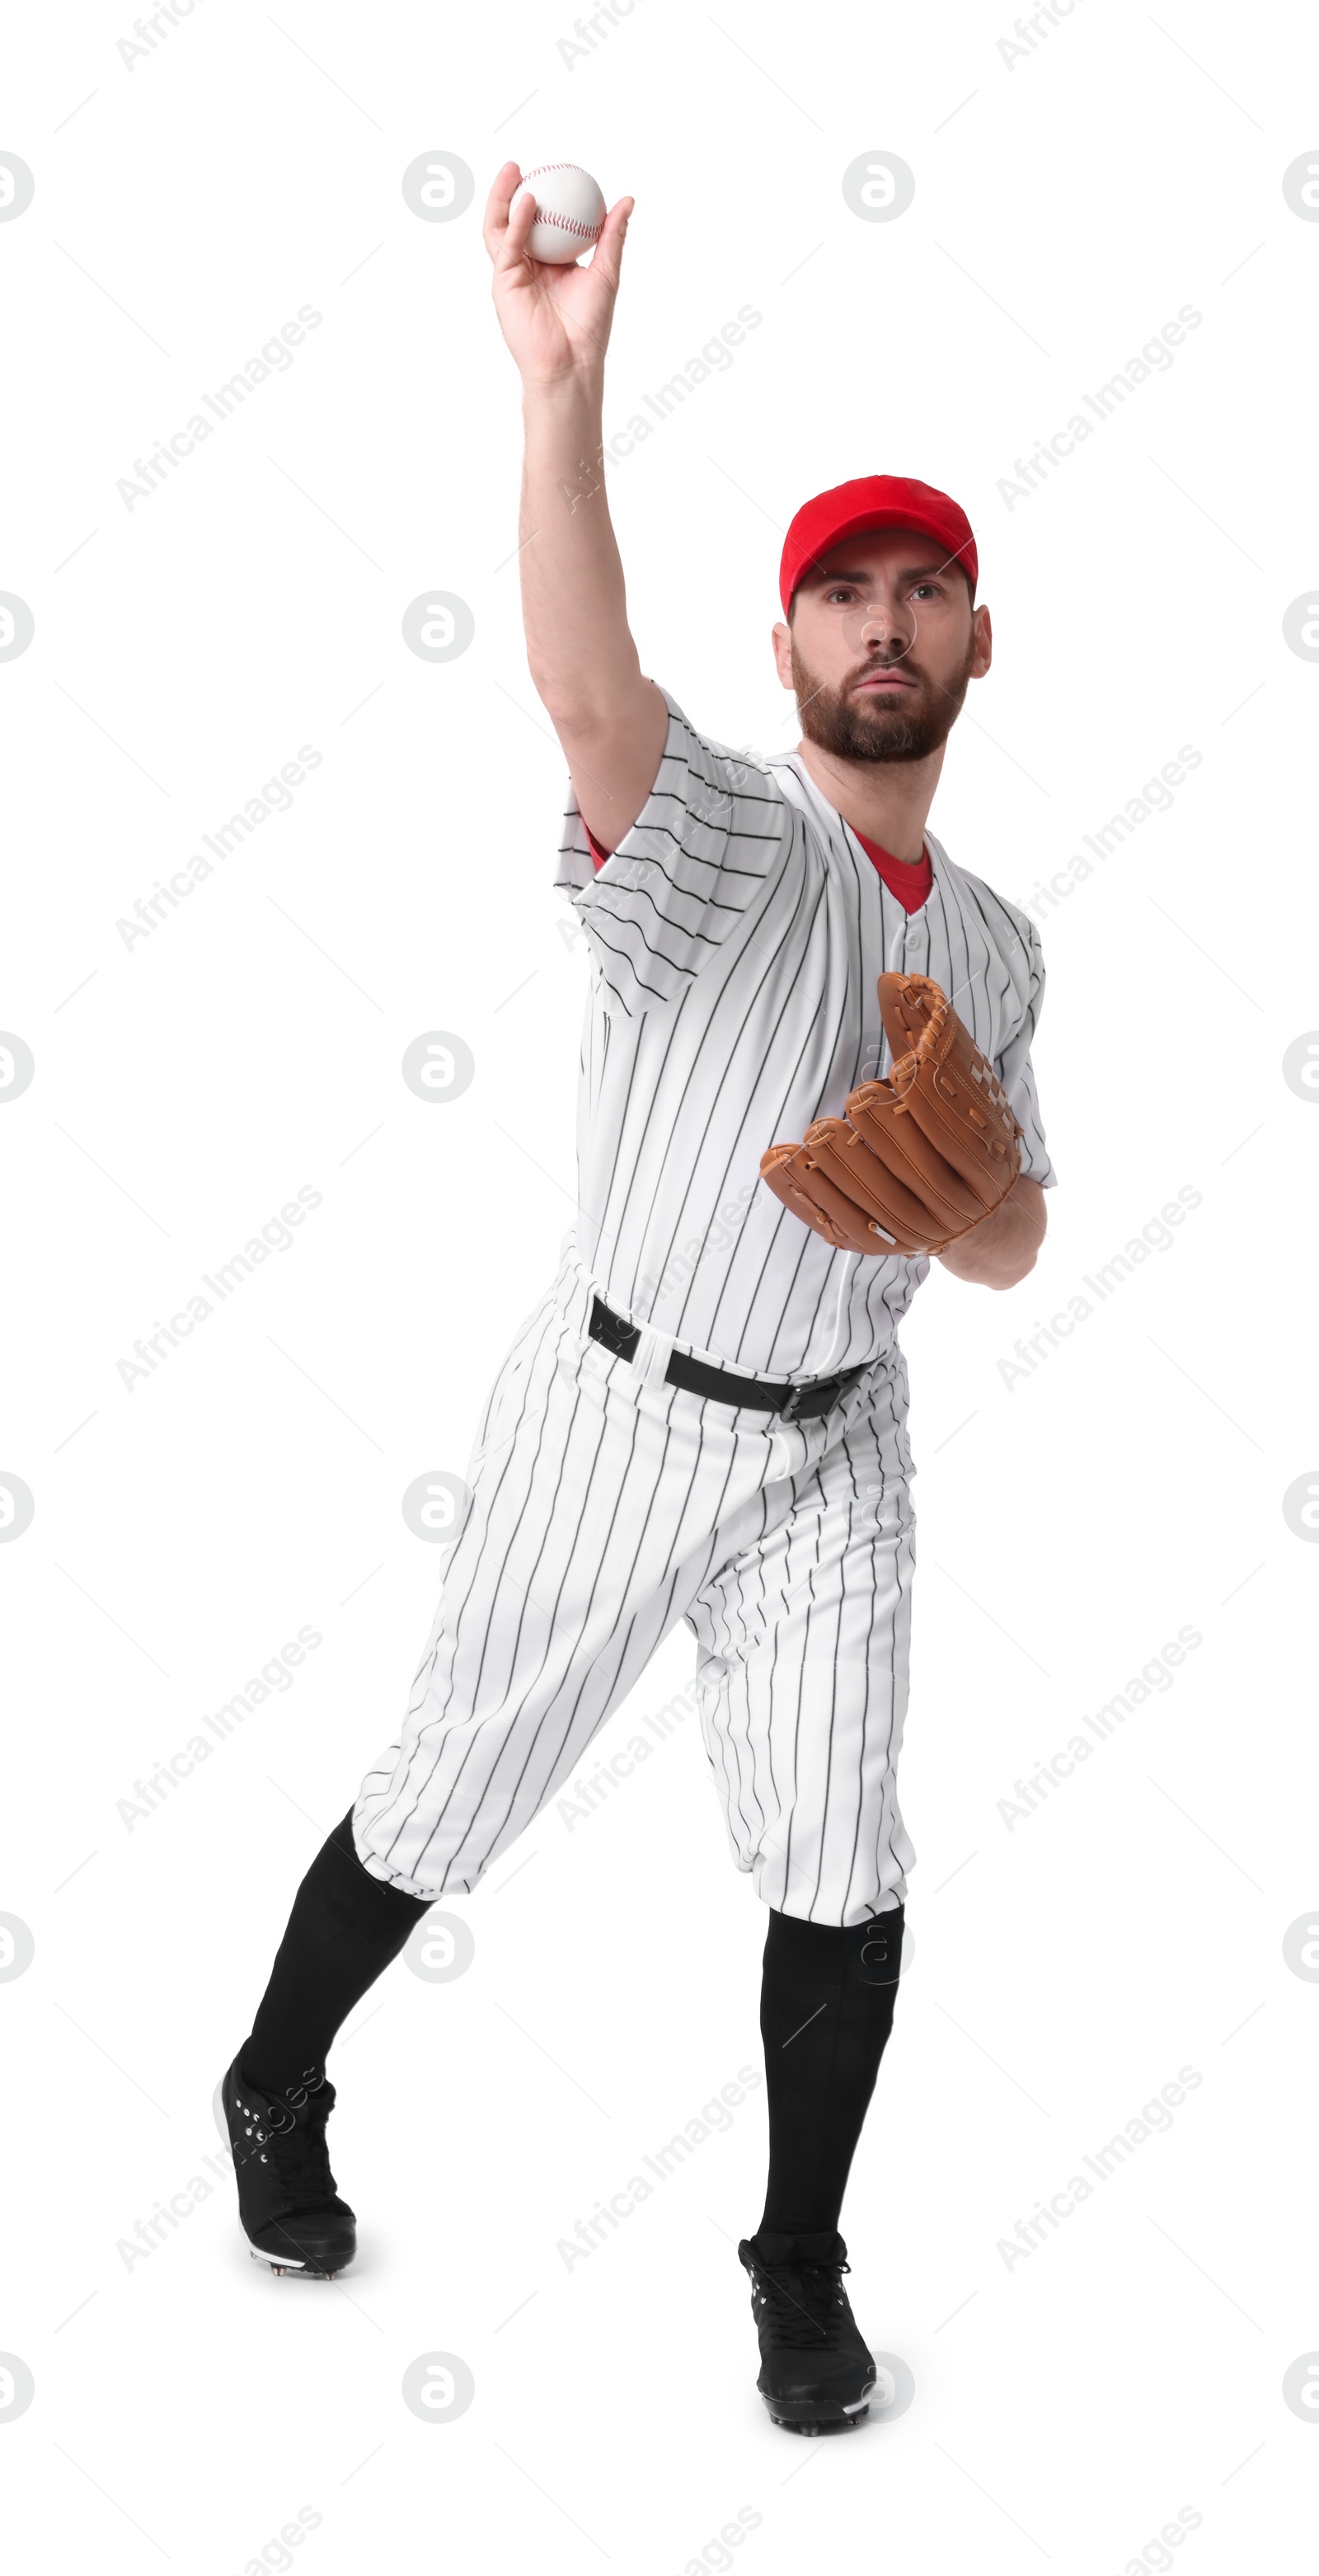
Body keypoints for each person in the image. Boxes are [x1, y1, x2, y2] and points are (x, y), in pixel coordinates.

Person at [215, 163, 1055, 2438]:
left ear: (978, 644)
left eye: (925, 593)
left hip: (835, 1444)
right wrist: (561, 394)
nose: (884, 622)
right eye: (843, 594)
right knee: (447, 1790)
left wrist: (970, 1208)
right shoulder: (722, 840)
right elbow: (587, 685)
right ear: (788, 648)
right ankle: (275, 2073)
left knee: (844, 1848)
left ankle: (798, 2264)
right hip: (616, 1411)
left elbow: (1017, 1242)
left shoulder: (995, 950)